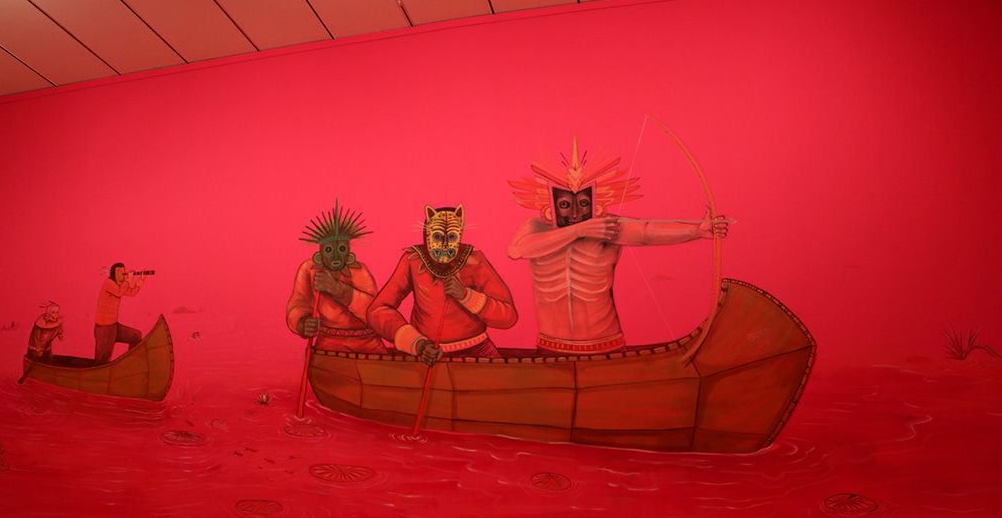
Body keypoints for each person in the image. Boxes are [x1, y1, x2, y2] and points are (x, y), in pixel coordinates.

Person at [507, 138, 729, 356]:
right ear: (550, 204)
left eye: (583, 203)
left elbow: (647, 232)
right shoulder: (535, 226)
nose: (575, 212)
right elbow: (517, 250)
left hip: (605, 343)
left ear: (595, 201)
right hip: (551, 344)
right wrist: (579, 230)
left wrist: (696, 230)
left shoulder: (606, 226)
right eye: (565, 204)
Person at [368, 205, 517, 365]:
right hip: (426, 355)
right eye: (438, 237)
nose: (444, 245)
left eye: (451, 237)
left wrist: (466, 296)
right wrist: (417, 344)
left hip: (476, 351)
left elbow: (508, 316)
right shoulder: (413, 260)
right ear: (427, 235)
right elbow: (378, 310)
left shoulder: (474, 260)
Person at [286, 202, 387, 354]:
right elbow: (298, 304)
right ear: (320, 253)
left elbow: (373, 312)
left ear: (349, 251)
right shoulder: (310, 269)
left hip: (367, 347)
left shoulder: (360, 271)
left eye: (341, 249)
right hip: (328, 346)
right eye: (328, 250)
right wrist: (302, 322)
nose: (335, 257)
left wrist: (338, 289)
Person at [94, 263, 146, 364]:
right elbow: (119, 292)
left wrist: (141, 279)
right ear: (113, 273)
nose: (122, 276)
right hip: (104, 328)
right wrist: (129, 280)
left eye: (123, 273)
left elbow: (132, 292)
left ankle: (130, 363)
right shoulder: (108, 283)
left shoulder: (120, 285)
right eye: (119, 273)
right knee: (102, 360)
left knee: (136, 336)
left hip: (114, 326)